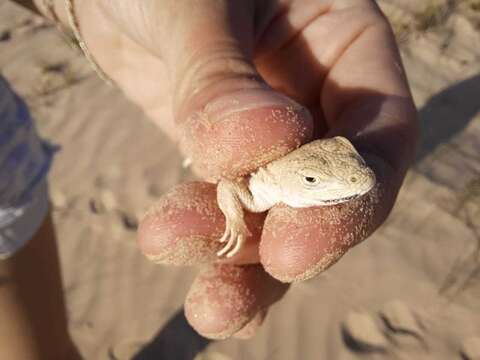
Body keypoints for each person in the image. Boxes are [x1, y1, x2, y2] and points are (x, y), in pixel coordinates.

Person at [1, 0, 418, 357]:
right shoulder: (264, 188)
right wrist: (236, 221)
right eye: (311, 180)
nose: (354, 178)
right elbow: (229, 187)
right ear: (298, 179)